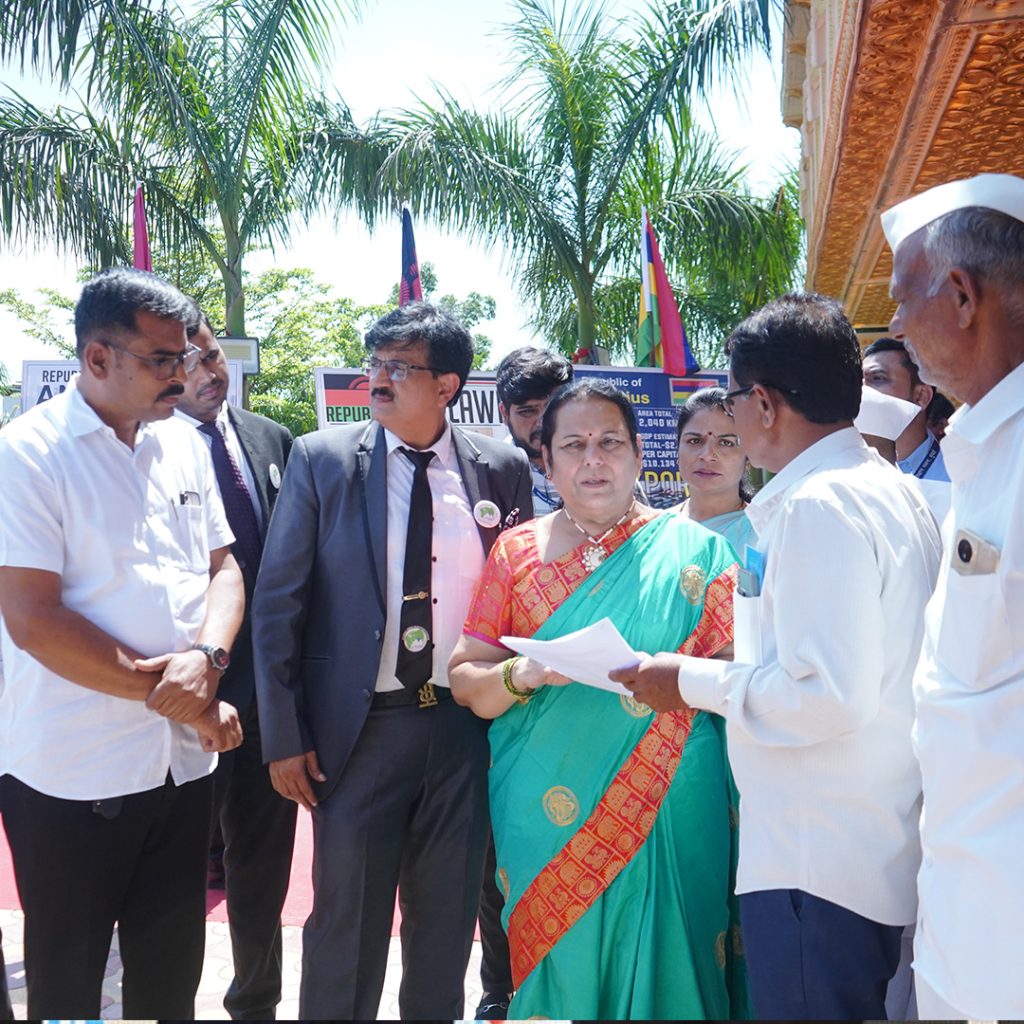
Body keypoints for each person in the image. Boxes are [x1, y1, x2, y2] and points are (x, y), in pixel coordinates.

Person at [612, 294, 941, 1020]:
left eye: (730, 402)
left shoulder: (819, 505)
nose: (727, 419)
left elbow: (827, 695)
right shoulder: (885, 489)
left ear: (762, 402)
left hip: (815, 859)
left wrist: (688, 679)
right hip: (859, 839)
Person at [252, 302, 532, 1019]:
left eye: (398, 367)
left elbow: (524, 594)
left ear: (447, 385)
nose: (377, 379)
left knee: (444, 927)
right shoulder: (324, 459)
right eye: (373, 364)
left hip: (464, 729)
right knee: (347, 926)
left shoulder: (500, 466)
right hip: (358, 733)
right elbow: (278, 603)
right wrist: (284, 735)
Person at [449, 378, 748, 1020]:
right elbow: (466, 678)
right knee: (562, 966)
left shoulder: (701, 553)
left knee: (679, 951)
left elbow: (739, 681)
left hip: (673, 792)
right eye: (574, 444)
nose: (594, 459)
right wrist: (521, 674)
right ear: (546, 461)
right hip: (544, 799)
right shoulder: (516, 553)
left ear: (641, 455)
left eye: (611, 442)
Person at [0, 267, 244, 1019]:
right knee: (69, 977)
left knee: (170, 971)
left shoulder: (181, 446)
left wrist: (207, 664)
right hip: (74, 770)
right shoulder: (28, 454)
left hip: (180, 769)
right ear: (97, 358)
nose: (184, 375)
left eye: (189, 357)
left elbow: (223, 568)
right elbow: (35, 620)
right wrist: (182, 701)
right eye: (163, 359)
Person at [882, 172, 1024, 1019]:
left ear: (963, 296)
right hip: (968, 914)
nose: (895, 326)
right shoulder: (984, 453)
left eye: (903, 300)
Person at [175, 311, 296, 1020]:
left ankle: (256, 1004)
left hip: (268, 699)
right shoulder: (142, 446)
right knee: (170, 873)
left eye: (214, 356)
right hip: (175, 694)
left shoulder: (269, 438)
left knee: (262, 870)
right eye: (188, 362)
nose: (208, 372)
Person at [675, 386, 756, 556]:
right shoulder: (656, 529)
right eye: (695, 441)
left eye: (726, 443)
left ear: (748, 456)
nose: (707, 455)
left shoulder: (763, 532)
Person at [496, 345, 573, 515]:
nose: (542, 422)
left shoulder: (602, 467)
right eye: (528, 411)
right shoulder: (487, 477)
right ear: (504, 414)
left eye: (552, 409)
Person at [862, 337, 950, 481]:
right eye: (858, 381)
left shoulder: (957, 477)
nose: (862, 391)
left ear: (921, 396)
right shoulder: (845, 470)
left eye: (877, 378)